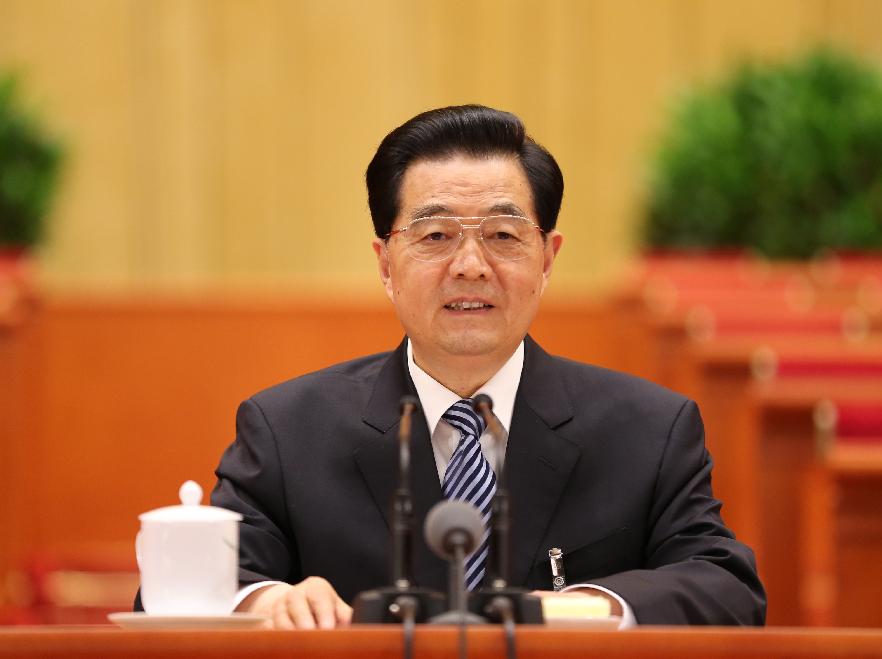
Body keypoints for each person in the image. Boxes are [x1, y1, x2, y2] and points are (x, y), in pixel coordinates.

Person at [210, 105, 766, 629]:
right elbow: (194, 585)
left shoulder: (649, 429)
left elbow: (727, 588)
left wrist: (588, 608)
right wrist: (268, 600)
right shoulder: (287, 429)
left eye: (503, 235)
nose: (471, 266)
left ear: (547, 259)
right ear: (385, 264)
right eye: (435, 236)